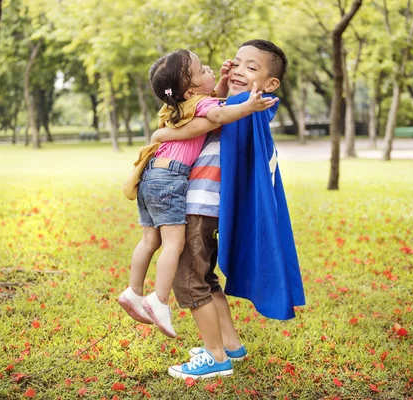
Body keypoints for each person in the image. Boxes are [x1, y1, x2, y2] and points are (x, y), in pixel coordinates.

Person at [152, 39, 305, 380]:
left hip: (201, 206)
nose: (238, 70)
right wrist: (221, 85)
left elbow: (199, 123)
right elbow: (214, 108)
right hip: (204, 205)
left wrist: (161, 133)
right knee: (205, 278)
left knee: (190, 280)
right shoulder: (240, 106)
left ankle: (215, 355)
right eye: (236, 63)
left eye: (251, 67)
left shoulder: (248, 108)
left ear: (270, 84)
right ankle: (230, 344)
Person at [118, 49, 278, 339]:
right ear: (191, 89)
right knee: (173, 245)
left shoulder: (181, 105)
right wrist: (248, 105)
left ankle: (134, 290)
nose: (211, 70)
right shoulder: (207, 106)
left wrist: (222, 82)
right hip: (171, 180)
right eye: (203, 70)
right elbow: (217, 112)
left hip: (151, 176)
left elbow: (211, 103)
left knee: (150, 240)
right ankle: (160, 299)